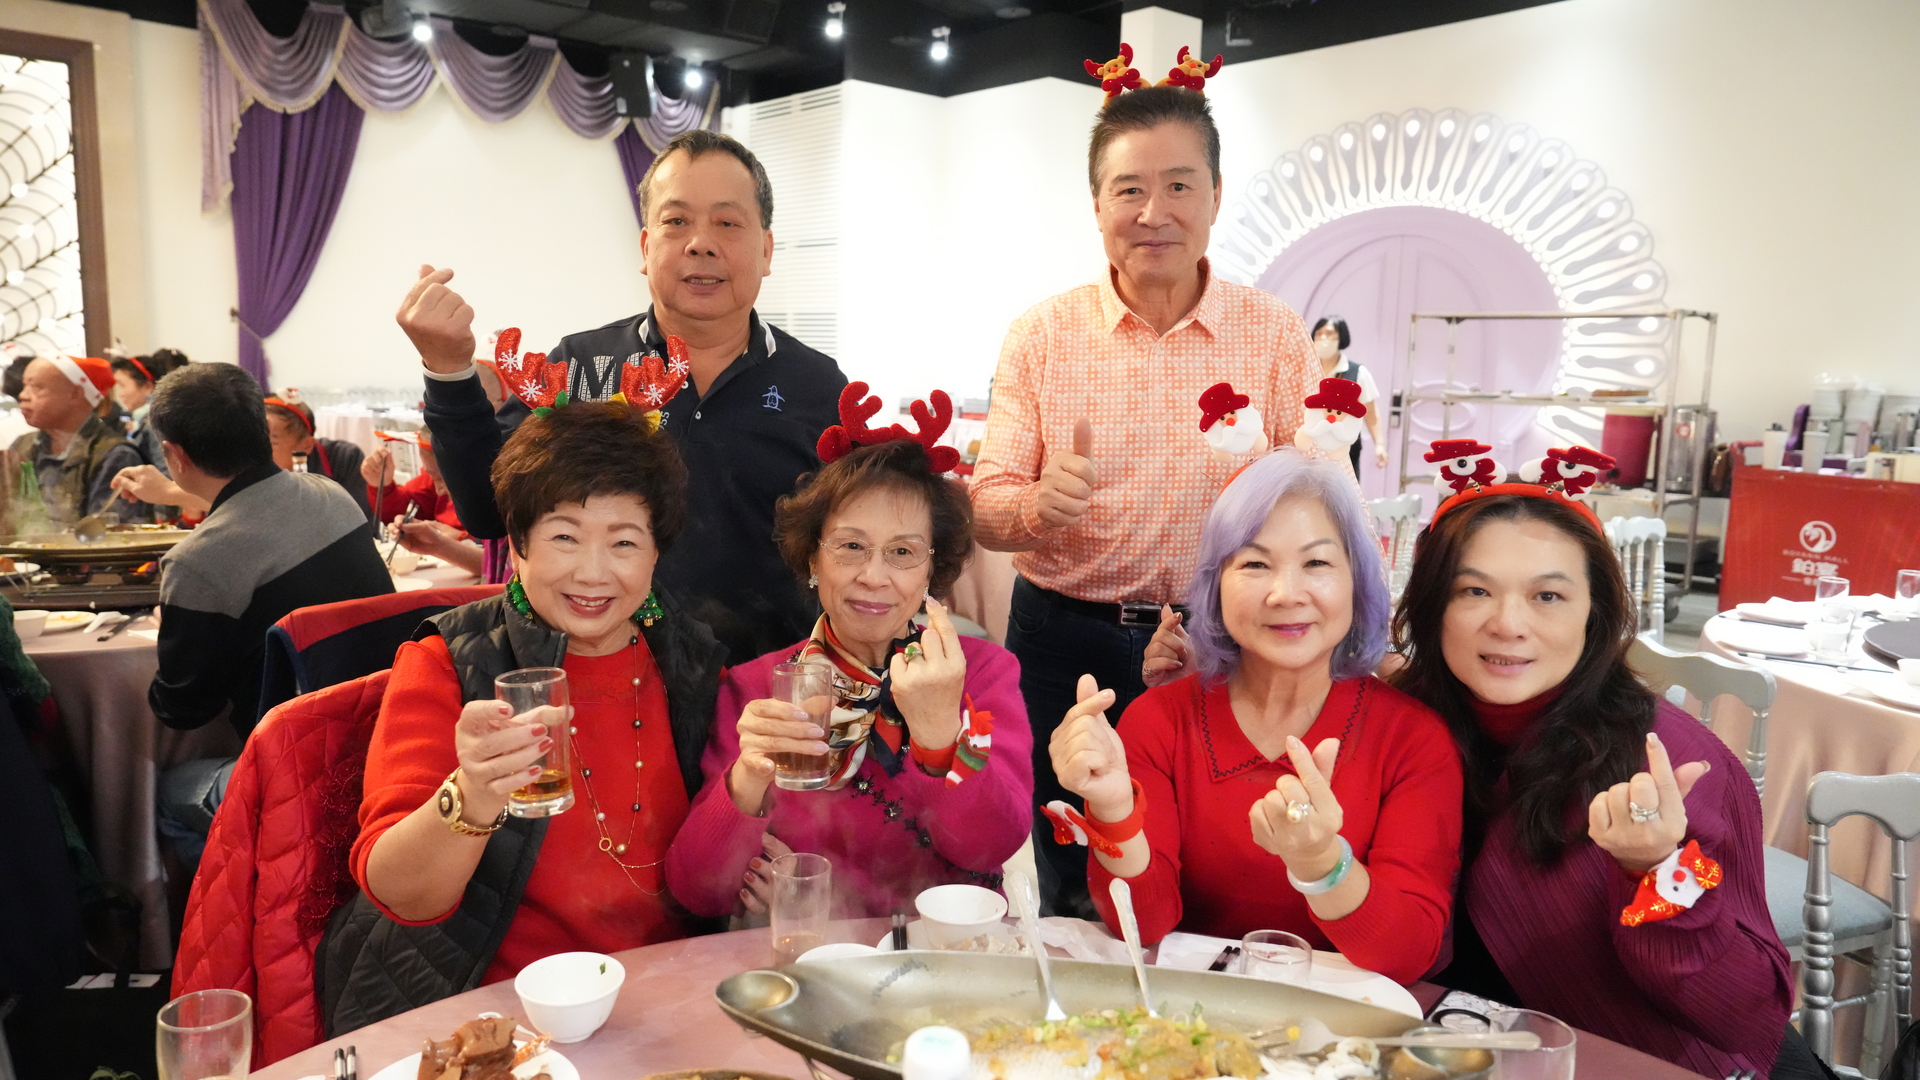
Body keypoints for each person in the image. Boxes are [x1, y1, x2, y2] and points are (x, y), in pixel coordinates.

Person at [969, 78, 1318, 914]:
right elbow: (985, 505)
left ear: (1215, 196)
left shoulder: (1272, 333)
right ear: (1097, 204)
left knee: (1207, 860)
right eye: (1129, 189)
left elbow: (1317, 499)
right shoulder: (1042, 335)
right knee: (1069, 858)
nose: (1153, 212)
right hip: (1063, 639)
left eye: (1178, 185)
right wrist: (1037, 506)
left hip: (1221, 641)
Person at [318, 400, 727, 1034]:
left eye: (624, 542)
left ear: (655, 554)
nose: (592, 572)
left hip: (672, 999)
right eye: (564, 536)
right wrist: (473, 794)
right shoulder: (450, 662)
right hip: (504, 1015)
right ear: (518, 545)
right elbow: (402, 895)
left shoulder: (693, 662)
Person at [1386, 449, 1792, 1076]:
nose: (1507, 624)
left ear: (1594, 612)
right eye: (1474, 591)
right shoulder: (1401, 725)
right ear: (1433, 604)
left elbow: (1747, 1014)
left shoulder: (1663, 762)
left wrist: (1655, 869)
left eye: (1547, 595)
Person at [399, 128, 846, 665]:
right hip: (600, 680)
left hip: (766, 684)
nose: (700, 243)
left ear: (767, 250)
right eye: (676, 221)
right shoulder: (581, 367)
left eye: (727, 223)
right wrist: (449, 369)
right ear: (645, 247)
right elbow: (487, 509)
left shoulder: (818, 388)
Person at [1057, 451, 1461, 983]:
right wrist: (1113, 808)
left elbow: (1408, 953)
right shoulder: (1159, 721)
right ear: (1215, 585)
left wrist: (1322, 863)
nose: (1285, 594)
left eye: (1317, 564)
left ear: (1357, 581)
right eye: (1254, 564)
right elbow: (1145, 925)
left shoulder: (1413, 740)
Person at [666, 389, 1031, 920]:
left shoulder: (981, 673)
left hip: (948, 948)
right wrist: (748, 776)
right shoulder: (756, 687)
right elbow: (698, 892)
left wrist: (938, 733)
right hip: (809, 955)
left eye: (902, 552)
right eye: (851, 546)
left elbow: (990, 846)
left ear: (932, 569)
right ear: (814, 558)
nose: (873, 576)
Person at [140, 365, 394, 859]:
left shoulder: (199, 561)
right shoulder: (332, 494)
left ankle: (242, 903)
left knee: (166, 793)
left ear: (175, 454)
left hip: (297, 772)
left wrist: (176, 629)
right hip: (385, 735)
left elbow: (182, 709)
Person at [8, 355, 148, 526]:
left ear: (75, 394)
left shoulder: (115, 456)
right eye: (25, 386)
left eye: (37, 387)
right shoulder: (21, 446)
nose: (23, 395)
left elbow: (107, 534)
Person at [361, 433, 482, 577]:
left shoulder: (501, 498)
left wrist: (466, 538)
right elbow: (404, 509)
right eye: (432, 477)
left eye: (440, 478)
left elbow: (500, 565)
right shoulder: (435, 479)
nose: (439, 490)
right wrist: (383, 485)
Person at [264, 396, 371, 520]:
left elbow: (358, 521)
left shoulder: (344, 459)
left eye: (271, 442)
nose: (258, 450)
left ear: (306, 446)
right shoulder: (250, 469)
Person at [1310, 317, 1387, 475]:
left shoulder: (1358, 373)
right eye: (1319, 333)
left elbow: (1371, 415)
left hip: (1345, 451)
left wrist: (1379, 445)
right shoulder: (1307, 370)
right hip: (1310, 448)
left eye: (1329, 333)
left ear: (1341, 338)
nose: (1323, 338)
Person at [109, 355, 167, 470]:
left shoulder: (155, 423)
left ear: (147, 387)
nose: (120, 394)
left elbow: (166, 474)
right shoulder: (141, 420)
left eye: (122, 386)